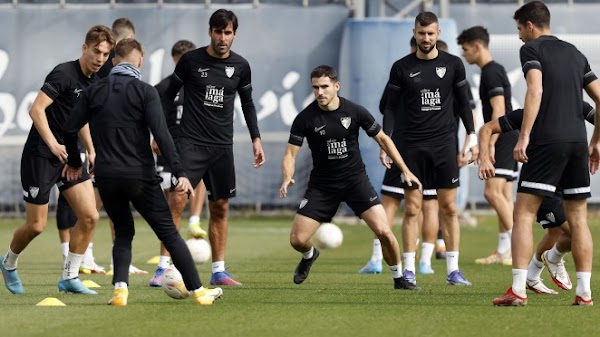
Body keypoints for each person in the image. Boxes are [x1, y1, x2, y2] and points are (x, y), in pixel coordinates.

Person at [62, 38, 223, 306]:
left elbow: (69, 128)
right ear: (139, 61)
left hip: (106, 177)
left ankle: (120, 291)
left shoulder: (94, 90)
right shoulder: (145, 91)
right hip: (139, 175)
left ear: (113, 61)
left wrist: (74, 161)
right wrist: (180, 172)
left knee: (123, 232)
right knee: (169, 234)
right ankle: (199, 292)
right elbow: (162, 135)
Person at [493, 1, 600, 306]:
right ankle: (584, 294)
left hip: (546, 143)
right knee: (579, 220)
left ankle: (517, 289)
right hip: (577, 144)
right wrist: (595, 142)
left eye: (518, 30)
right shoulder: (576, 54)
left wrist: (523, 137)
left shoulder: (532, 50)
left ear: (529, 25)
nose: (519, 37)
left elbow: (535, 91)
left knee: (524, 213)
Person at [279, 65, 422, 290]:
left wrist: (405, 169)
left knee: (385, 231)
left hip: (355, 181)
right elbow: (290, 153)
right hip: (323, 186)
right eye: (315, 88)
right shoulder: (305, 118)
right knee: (297, 240)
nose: (320, 92)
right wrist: (287, 176)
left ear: (337, 86)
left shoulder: (355, 111)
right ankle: (309, 255)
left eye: (325, 87)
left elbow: (383, 139)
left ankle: (399, 278)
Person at [0, 25, 114, 295]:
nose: (100, 59)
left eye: (106, 55)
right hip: (41, 155)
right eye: (96, 52)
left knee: (89, 216)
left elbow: (80, 119)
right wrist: (53, 143)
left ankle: (69, 277)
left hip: (70, 158)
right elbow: (36, 110)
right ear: (84, 48)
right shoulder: (64, 73)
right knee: (37, 225)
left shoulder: (96, 81)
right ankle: (8, 263)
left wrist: (91, 147)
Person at [160, 9, 265, 286]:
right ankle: (163, 267)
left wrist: (256, 138)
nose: (222, 37)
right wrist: (162, 133)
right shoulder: (191, 61)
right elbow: (166, 95)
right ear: (210, 31)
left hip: (221, 147)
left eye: (227, 32)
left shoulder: (241, 67)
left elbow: (248, 104)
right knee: (177, 200)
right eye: (218, 32)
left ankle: (219, 271)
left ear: (234, 34)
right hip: (190, 143)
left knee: (220, 207)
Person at [379, 12, 478, 288]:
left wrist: (471, 135)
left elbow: (463, 104)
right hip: (411, 147)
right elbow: (389, 107)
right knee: (412, 208)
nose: (426, 38)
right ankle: (408, 269)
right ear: (415, 32)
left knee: (449, 208)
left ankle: (453, 269)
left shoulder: (454, 64)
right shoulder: (401, 67)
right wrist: (386, 141)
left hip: (444, 146)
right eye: (421, 34)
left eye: (431, 33)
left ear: (437, 34)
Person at [479, 102, 595, 295]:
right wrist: (484, 156)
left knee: (559, 234)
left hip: (566, 185)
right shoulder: (530, 112)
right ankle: (549, 262)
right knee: (573, 232)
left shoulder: (576, 105)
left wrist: (596, 141)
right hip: (540, 187)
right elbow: (487, 129)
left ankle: (534, 274)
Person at [358, 37, 448, 276]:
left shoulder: (404, 70)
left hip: (403, 146)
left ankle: (378, 258)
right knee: (427, 204)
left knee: (391, 202)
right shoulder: (444, 74)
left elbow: (384, 106)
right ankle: (425, 262)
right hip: (436, 148)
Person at [150, 39, 209, 287]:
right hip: (170, 150)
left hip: (195, 149)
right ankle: (164, 266)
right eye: (179, 61)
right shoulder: (163, 87)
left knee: (199, 183)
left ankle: (194, 221)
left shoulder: (205, 85)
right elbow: (152, 116)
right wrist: (154, 136)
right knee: (170, 205)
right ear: (174, 61)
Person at [457, 25, 517, 266]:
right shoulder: (494, 70)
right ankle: (504, 250)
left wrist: (490, 143)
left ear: (477, 46)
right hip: (507, 135)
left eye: (465, 49)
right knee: (503, 195)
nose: (463, 54)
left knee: (491, 192)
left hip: (502, 136)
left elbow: (500, 109)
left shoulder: (491, 72)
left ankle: (518, 245)